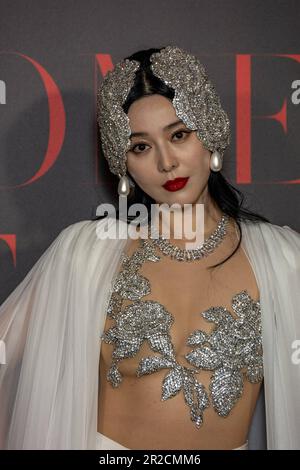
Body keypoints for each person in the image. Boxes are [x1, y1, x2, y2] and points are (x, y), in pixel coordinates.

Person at [0, 45, 299, 450]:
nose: (166, 162)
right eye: (141, 146)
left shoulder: (283, 260)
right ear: (122, 163)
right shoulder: (87, 253)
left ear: (209, 131)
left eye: (179, 135)